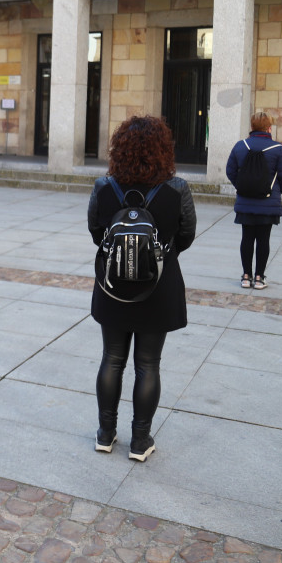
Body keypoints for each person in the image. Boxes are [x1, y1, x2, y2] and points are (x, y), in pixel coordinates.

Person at [87, 116, 196, 462]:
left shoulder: (104, 186)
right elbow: (187, 235)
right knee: (148, 363)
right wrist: (161, 252)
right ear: (163, 150)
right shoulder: (176, 188)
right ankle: (139, 439)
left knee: (112, 358)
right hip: (157, 287)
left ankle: (105, 434)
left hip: (113, 285)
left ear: (119, 148)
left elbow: (95, 232)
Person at [226, 111, 282, 290]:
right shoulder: (278, 149)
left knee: (246, 238)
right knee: (263, 239)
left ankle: (246, 276)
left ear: (252, 127)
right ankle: (259, 277)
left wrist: (242, 186)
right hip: (268, 202)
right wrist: (278, 191)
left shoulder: (240, 146)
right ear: (269, 128)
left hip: (245, 200)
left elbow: (230, 171)